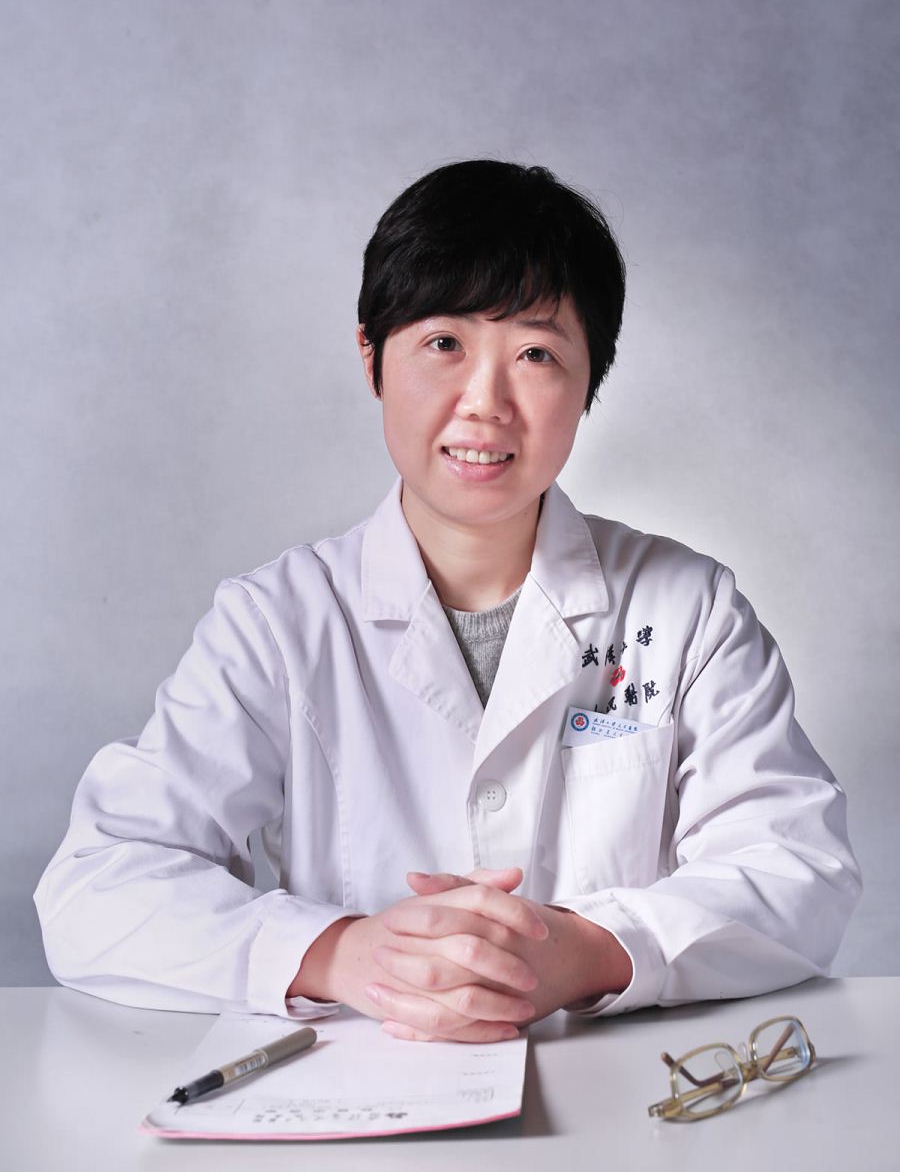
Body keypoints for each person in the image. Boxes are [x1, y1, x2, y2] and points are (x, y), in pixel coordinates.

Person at [35, 160, 861, 1044]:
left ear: (590, 381)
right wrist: (341, 954)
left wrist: (586, 950)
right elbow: (98, 884)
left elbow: (798, 868)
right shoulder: (276, 622)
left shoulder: (689, 609)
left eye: (536, 355)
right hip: (360, 1085)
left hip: (621, 1088)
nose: (485, 404)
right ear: (372, 358)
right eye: (443, 344)